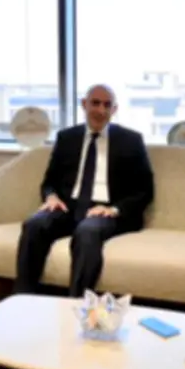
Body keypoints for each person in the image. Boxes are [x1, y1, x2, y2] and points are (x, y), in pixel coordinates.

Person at [15, 84, 154, 297]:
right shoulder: (67, 138)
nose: (101, 110)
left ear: (114, 109)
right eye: (95, 103)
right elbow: (49, 181)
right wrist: (51, 197)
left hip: (107, 211)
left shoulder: (131, 140)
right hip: (68, 207)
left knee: (87, 231)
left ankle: (78, 304)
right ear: (84, 104)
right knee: (34, 225)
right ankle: (23, 298)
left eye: (107, 105)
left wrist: (113, 209)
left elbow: (145, 189)